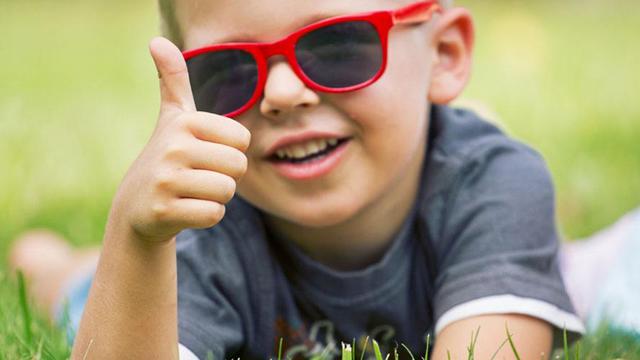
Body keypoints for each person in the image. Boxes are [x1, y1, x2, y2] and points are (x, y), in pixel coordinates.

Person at [8, 0, 592, 358]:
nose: (283, 95)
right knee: (77, 290)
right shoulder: (200, 230)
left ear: (444, 54)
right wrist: (135, 241)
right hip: (144, 288)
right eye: (228, 69)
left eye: (338, 46)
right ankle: (53, 264)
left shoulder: (495, 187)